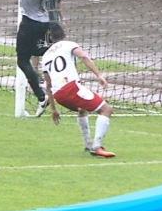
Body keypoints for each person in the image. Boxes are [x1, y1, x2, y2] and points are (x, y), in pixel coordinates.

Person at [41, 23, 116, 158]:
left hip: (58, 95)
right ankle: (97, 146)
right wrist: (98, 75)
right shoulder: (69, 44)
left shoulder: (45, 56)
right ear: (64, 35)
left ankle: (88, 145)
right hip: (71, 88)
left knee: (82, 109)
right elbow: (83, 56)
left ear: (50, 39)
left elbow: (48, 85)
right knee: (106, 109)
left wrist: (53, 109)